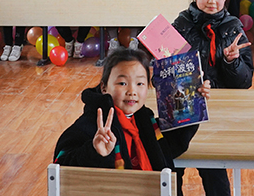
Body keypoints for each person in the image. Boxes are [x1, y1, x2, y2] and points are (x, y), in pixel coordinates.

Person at [53, 48, 210, 196]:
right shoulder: (91, 126)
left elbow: (171, 146)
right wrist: (94, 151)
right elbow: (59, 169)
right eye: (122, 83)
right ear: (104, 87)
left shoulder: (144, 121)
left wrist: (192, 103)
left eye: (140, 83)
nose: (132, 91)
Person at [172, 0, 254, 195]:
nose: (212, 0)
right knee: (172, 170)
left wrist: (231, 62)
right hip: (182, 111)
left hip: (217, 114)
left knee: (214, 172)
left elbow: (245, 81)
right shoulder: (180, 25)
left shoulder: (233, 28)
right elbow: (163, 77)